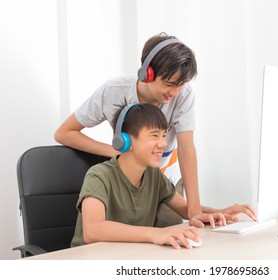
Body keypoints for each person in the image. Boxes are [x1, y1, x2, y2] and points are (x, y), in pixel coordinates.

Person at [54, 33, 216, 227]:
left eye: (181, 85)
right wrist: (114, 150)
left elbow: (186, 147)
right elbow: (64, 133)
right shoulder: (114, 91)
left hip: (164, 180)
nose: (175, 93)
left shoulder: (184, 94)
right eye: (169, 84)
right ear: (147, 73)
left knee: (173, 232)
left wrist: (197, 211)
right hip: (129, 178)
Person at [71, 104, 257, 249]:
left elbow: (186, 209)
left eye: (163, 135)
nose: (162, 144)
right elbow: (92, 230)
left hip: (127, 257)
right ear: (125, 140)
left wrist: (220, 212)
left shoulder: (153, 175)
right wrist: (155, 234)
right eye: (154, 136)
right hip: (89, 261)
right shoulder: (99, 176)